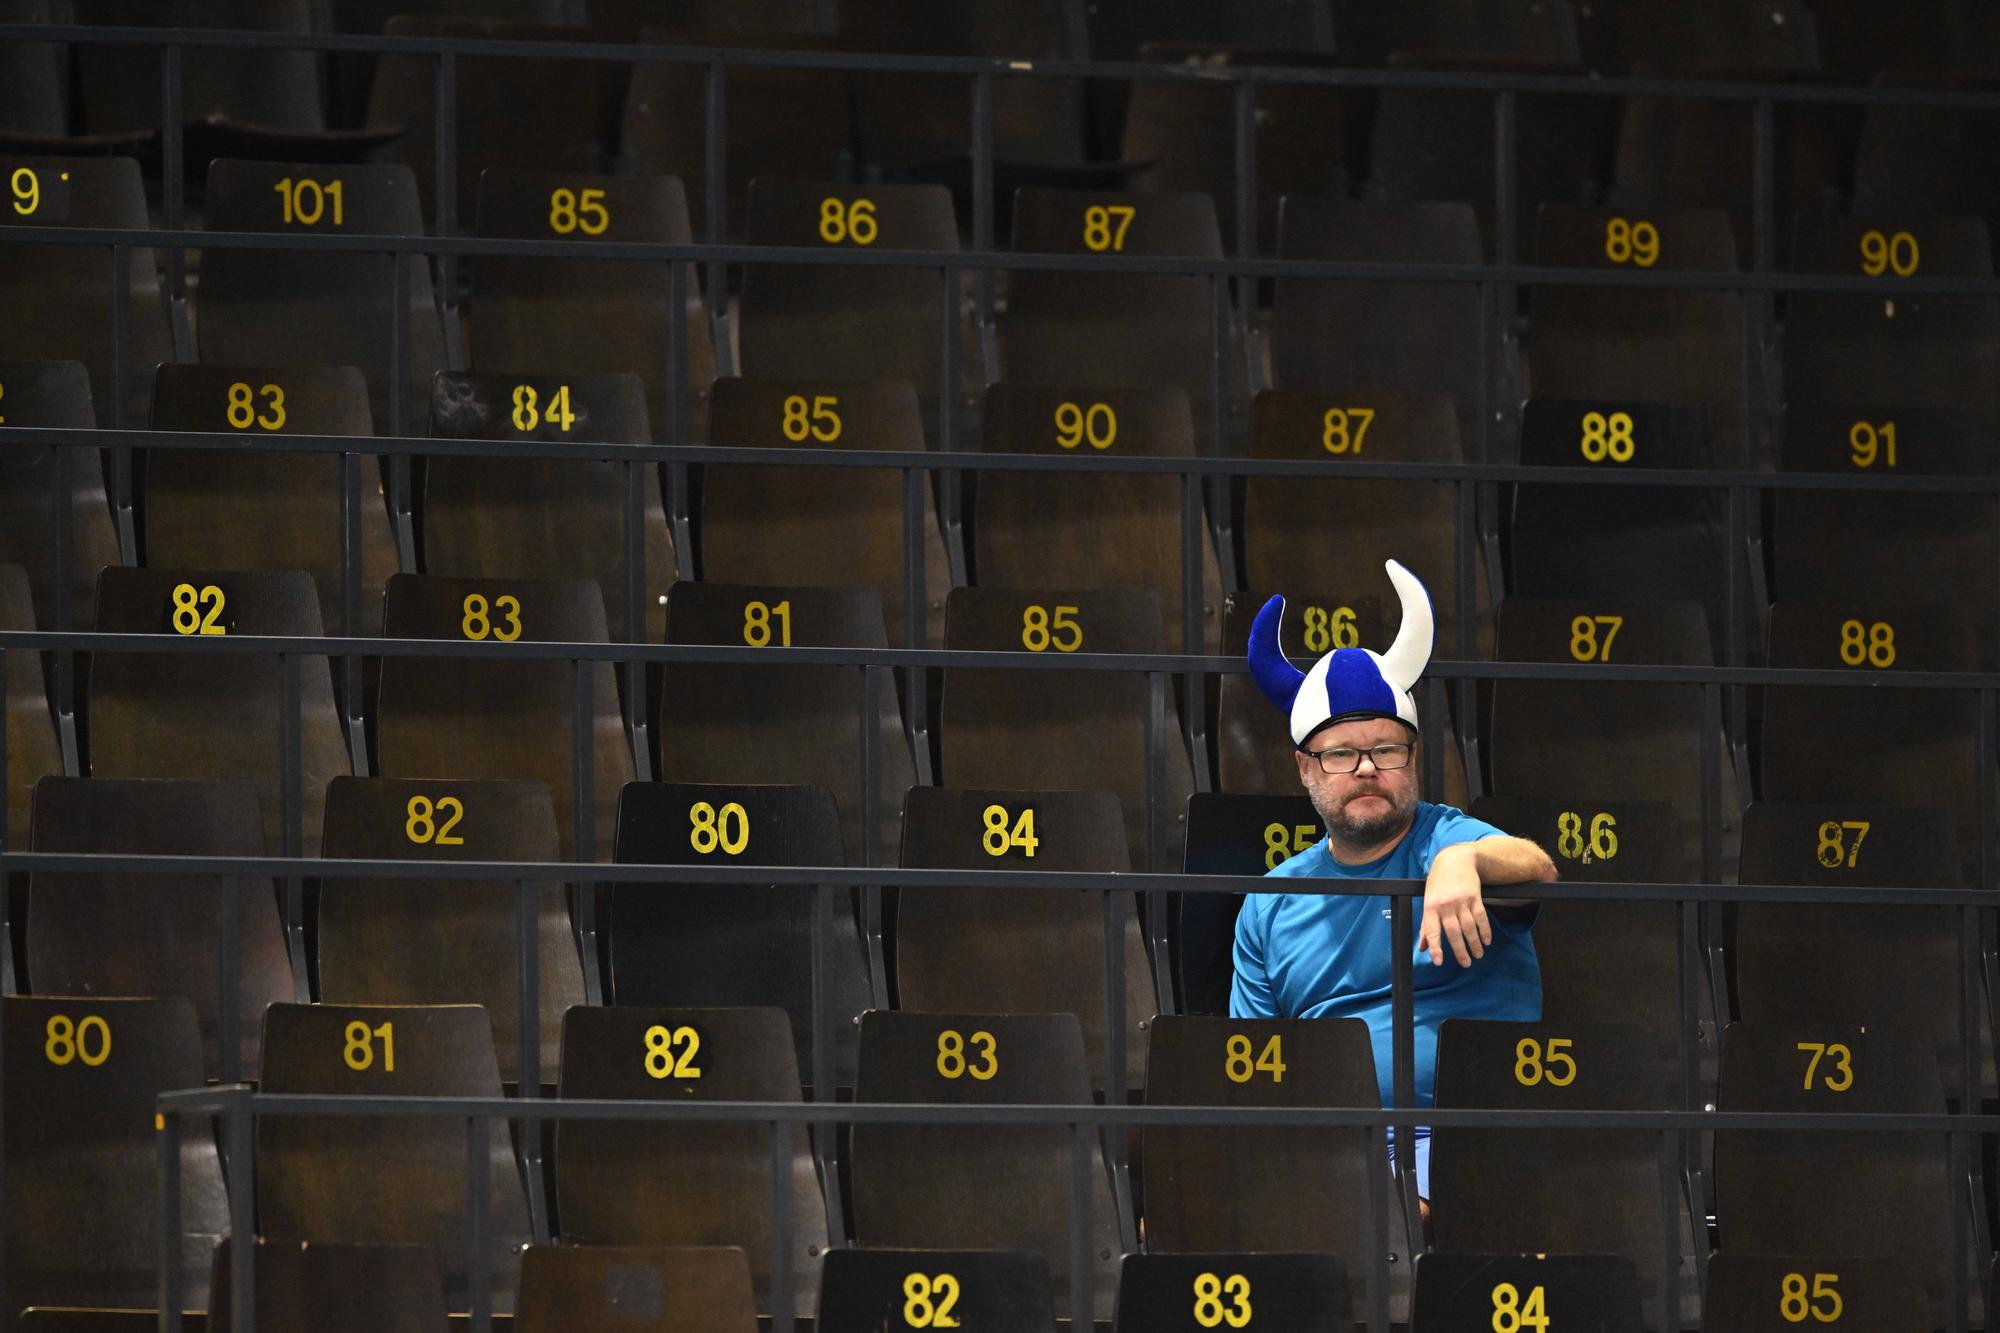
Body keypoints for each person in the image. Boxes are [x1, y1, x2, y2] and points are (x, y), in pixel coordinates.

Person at [1229, 559, 1557, 1207]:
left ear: (1413, 757)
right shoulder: (1270, 900)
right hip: (1330, 1143)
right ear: (1305, 768)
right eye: (1341, 753)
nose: (1366, 768)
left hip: (1471, 1134)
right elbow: (1255, 1068)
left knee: (1391, 1219)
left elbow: (1535, 864)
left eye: (1386, 748)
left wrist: (1464, 865)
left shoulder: (1446, 838)